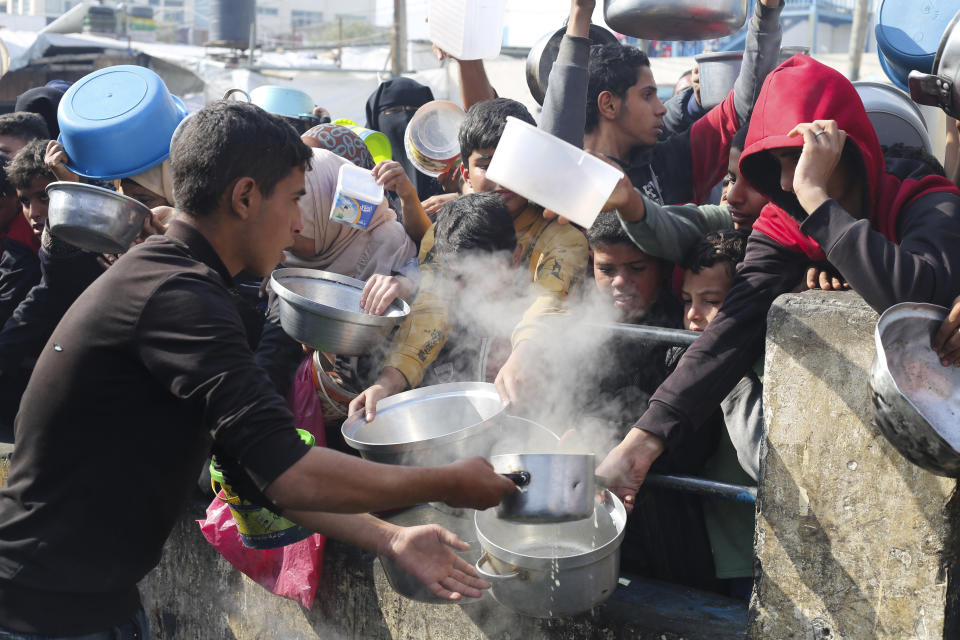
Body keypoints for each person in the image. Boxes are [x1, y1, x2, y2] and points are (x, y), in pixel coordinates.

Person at [0, 101, 515, 637]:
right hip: (45, 611)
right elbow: (291, 473)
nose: (298, 224)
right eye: (294, 199)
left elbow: (253, 470)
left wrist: (391, 538)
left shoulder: (181, 279)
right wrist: (449, 480)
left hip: (90, 599)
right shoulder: (179, 297)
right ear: (245, 197)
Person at [596, 54, 960, 509]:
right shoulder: (781, 224)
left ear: (844, 148)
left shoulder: (925, 196)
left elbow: (915, 297)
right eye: (776, 165)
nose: (788, 181)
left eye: (799, 159)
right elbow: (731, 329)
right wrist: (642, 441)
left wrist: (817, 197)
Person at [350, 98, 590, 417]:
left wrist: (523, 353)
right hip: (462, 394)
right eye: (488, 164)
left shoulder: (561, 236)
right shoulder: (445, 232)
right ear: (465, 171)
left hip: (544, 394)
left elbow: (549, 301)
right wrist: (389, 381)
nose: (502, 178)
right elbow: (432, 308)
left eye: (514, 163)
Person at [540, 0, 782, 206]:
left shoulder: (672, 162)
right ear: (609, 105)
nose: (662, 108)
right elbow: (559, 127)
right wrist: (580, 13)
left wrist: (767, 10)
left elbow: (743, 108)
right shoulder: (569, 174)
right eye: (647, 96)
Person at [679, 230, 757, 599]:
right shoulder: (681, 362)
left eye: (711, 301)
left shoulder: (757, 368)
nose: (693, 315)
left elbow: (760, 459)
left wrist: (731, 375)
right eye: (687, 300)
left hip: (748, 557)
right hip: (706, 552)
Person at [365, 77, 442, 200]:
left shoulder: (448, 170)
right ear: (374, 118)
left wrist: (456, 196)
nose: (405, 118)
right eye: (394, 110)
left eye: (415, 110)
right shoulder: (361, 168)